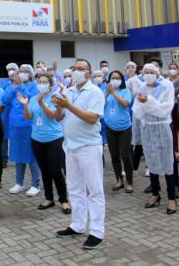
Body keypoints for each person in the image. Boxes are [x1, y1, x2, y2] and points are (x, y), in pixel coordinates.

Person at [53, 58, 105, 250]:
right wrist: (59, 106)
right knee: (74, 188)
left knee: (94, 189)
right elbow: (59, 118)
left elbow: (92, 118)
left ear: (89, 73)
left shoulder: (95, 92)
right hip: (71, 146)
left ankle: (97, 231)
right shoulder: (69, 90)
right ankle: (78, 224)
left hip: (89, 146)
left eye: (80, 69)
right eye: (74, 68)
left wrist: (68, 106)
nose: (76, 71)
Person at [19, 73, 70, 213]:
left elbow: (53, 116)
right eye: (39, 82)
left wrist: (42, 103)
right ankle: (49, 198)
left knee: (55, 170)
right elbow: (29, 116)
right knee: (45, 170)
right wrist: (25, 105)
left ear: (50, 85)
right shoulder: (33, 99)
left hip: (54, 138)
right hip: (37, 139)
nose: (41, 84)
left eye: (44, 82)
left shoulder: (55, 98)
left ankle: (64, 199)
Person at [134, 63, 178, 215]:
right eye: (145, 72)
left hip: (162, 127)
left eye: (151, 72)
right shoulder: (141, 88)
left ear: (157, 73)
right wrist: (147, 105)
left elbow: (165, 109)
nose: (148, 74)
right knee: (151, 161)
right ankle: (155, 194)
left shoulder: (166, 87)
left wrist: (148, 102)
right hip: (147, 128)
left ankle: (171, 198)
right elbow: (138, 111)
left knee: (167, 162)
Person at [7, 64, 41, 196]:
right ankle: (19, 183)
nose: (23, 74)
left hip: (28, 126)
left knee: (31, 156)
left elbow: (31, 99)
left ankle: (35, 184)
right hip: (15, 127)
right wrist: (13, 87)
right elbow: (5, 100)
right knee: (18, 154)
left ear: (31, 74)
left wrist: (19, 86)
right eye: (21, 72)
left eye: (26, 72)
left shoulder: (34, 87)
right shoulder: (13, 86)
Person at [104, 70, 133, 193]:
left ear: (121, 80)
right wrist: (107, 93)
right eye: (113, 78)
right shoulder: (106, 92)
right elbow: (100, 104)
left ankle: (129, 182)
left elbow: (125, 104)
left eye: (117, 78)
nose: (115, 80)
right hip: (110, 127)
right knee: (114, 155)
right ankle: (119, 179)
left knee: (125, 155)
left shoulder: (126, 91)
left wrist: (113, 93)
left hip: (124, 128)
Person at [0, 62, 19, 167]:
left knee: (16, 136)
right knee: (4, 137)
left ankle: (17, 157)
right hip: (5, 113)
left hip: (16, 112)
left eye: (13, 69)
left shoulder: (20, 82)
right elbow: (2, 96)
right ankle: (3, 159)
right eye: (9, 69)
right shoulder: (3, 82)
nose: (11, 71)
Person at [168, 62, 179, 163]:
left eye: (174, 68)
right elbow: (171, 92)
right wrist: (178, 87)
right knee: (172, 128)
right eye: (170, 68)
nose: (172, 70)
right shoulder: (167, 81)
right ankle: (175, 150)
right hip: (170, 106)